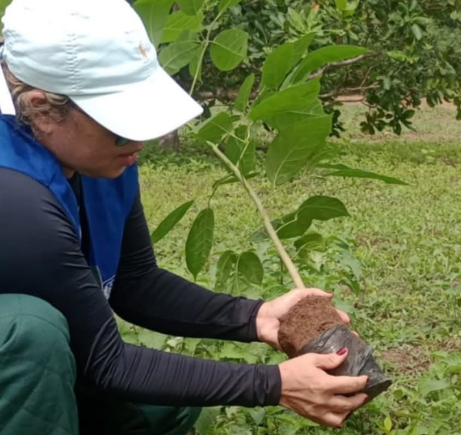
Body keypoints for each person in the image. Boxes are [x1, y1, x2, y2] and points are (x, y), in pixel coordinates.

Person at [0, 0, 369, 434]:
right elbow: (106, 361)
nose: (139, 138)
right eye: (120, 121)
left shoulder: (95, 155)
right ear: (42, 108)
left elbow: (136, 282)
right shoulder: (13, 194)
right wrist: (273, 384)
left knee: (162, 408)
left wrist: (257, 317)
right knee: (29, 335)